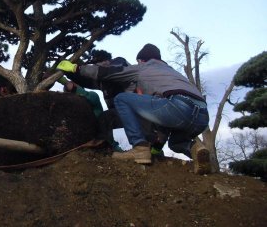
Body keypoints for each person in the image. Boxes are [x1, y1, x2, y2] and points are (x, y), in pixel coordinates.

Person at [57, 43, 211, 174]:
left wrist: (75, 68)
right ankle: (196, 150)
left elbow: (106, 73)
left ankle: (139, 148)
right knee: (177, 143)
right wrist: (158, 145)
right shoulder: (171, 73)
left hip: (178, 106)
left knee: (122, 99)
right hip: (202, 117)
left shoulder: (142, 68)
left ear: (141, 60)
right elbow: (165, 118)